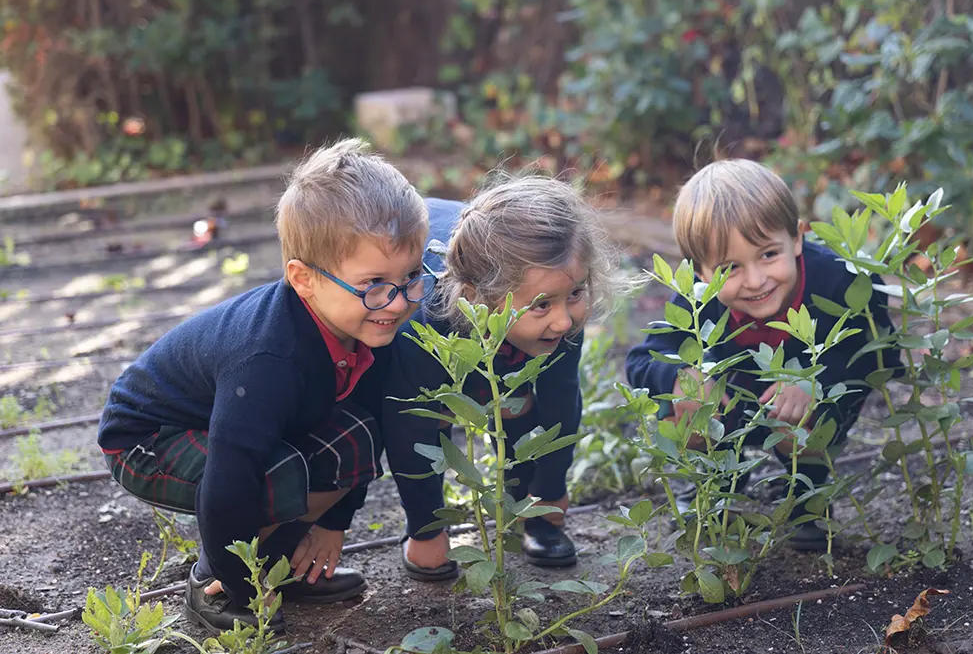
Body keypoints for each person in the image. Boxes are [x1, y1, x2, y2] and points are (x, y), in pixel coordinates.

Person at [97, 138, 433, 631]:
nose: (399, 301)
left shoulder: (370, 323)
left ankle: (282, 564)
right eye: (373, 284)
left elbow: (372, 422)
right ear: (304, 279)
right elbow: (230, 477)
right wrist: (240, 582)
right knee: (278, 471)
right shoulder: (266, 358)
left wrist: (332, 524)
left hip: (234, 425)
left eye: (410, 277)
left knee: (357, 438)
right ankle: (214, 581)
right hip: (148, 437)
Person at [625, 158, 900, 550]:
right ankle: (715, 486)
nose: (755, 281)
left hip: (802, 409)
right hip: (731, 404)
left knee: (800, 425)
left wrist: (816, 380)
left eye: (769, 254)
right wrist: (681, 379)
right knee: (689, 407)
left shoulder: (842, 279)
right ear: (700, 272)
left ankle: (807, 496)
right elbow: (641, 360)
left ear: (797, 238)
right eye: (730, 268)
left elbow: (879, 353)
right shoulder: (696, 299)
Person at [383, 177, 623, 579]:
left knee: (518, 402)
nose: (564, 320)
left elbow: (561, 401)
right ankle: (427, 528)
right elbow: (408, 430)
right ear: (477, 296)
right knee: (431, 415)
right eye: (542, 304)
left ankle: (527, 507)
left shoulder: (561, 321)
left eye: (576, 293)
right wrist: (425, 528)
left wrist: (550, 490)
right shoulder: (422, 323)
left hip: (507, 332)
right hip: (445, 335)